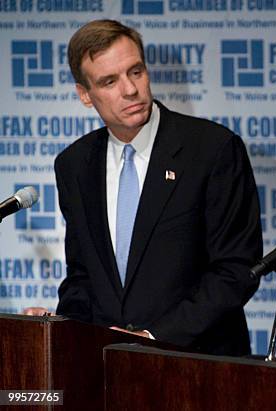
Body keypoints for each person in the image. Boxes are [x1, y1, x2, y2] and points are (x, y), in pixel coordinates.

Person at [24, 19, 262, 356]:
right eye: (109, 81)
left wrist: (154, 337)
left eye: (135, 72)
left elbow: (236, 270)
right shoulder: (74, 165)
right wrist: (61, 326)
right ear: (85, 95)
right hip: (108, 368)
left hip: (200, 366)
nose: (130, 90)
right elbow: (82, 277)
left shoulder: (212, 150)